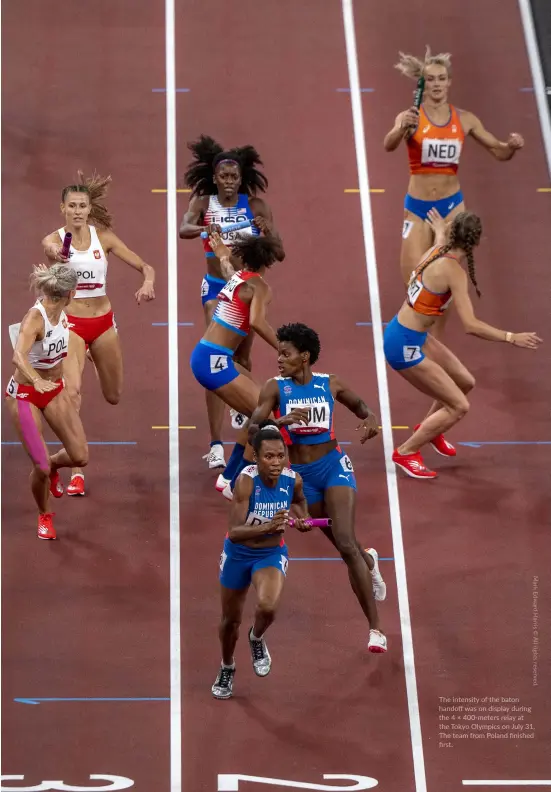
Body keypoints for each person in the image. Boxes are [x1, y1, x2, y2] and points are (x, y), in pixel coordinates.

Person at [248, 323, 388, 654]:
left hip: (333, 467)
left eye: (286, 353)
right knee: (346, 547)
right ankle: (369, 562)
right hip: (300, 476)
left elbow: (364, 409)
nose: (279, 359)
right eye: (278, 353)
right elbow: (254, 426)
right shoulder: (275, 388)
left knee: (344, 542)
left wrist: (370, 424)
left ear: (305, 356)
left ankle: (376, 630)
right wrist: (279, 422)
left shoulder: (330, 383)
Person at [383, 210, 542, 479]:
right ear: (476, 243)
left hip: (409, 334)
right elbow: (470, 325)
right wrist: (510, 337)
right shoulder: (454, 272)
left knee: (465, 382)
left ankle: (432, 427)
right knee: (459, 406)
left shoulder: (436, 251)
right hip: (404, 345)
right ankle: (407, 452)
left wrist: (441, 231)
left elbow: (439, 241)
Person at [383, 46, 524, 332]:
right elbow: (388, 145)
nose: (437, 84)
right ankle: (417, 329)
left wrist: (511, 147)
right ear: (423, 84)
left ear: (449, 82)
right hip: (418, 207)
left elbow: (498, 151)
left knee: (442, 279)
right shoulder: (410, 116)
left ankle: (435, 341)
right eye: (431, 79)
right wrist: (401, 129)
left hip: (451, 207)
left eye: (441, 78)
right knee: (414, 278)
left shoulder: (466, 119)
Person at [41, 171, 156, 497]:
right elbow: (50, 250)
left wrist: (147, 281)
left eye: (82, 206)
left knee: (114, 395)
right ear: (62, 208)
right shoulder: (54, 239)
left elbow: (145, 266)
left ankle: (94, 354)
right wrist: (56, 255)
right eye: (72, 206)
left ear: (89, 209)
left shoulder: (102, 238)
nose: (77, 211)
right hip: (73, 325)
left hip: (103, 324)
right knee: (73, 393)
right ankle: (73, 470)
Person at [179, 135, 284, 471]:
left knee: (241, 357)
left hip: (245, 288)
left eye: (234, 177)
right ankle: (214, 444)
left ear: (241, 180)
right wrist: (203, 229)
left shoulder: (255, 206)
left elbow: (279, 252)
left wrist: (266, 232)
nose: (228, 182)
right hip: (216, 286)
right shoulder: (204, 202)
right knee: (217, 355)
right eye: (223, 176)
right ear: (214, 178)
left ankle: (241, 403)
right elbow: (183, 228)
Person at [212, 422, 311, 699]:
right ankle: (227, 666)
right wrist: (268, 526)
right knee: (230, 621)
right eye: (269, 456)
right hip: (238, 554)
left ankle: (256, 638)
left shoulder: (293, 479)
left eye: (281, 456)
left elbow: (300, 502)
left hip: (270, 554)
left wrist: (303, 517)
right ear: (256, 458)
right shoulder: (246, 480)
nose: (276, 462)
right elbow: (235, 531)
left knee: (267, 607)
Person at [190, 231, 282, 494]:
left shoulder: (238, 278)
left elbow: (228, 269)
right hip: (213, 362)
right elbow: (256, 322)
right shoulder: (261, 287)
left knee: (262, 407)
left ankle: (227, 478)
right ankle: (234, 481)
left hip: (207, 355)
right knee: (267, 419)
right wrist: (284, 348)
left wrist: (222, 255)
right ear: (269, 262)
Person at [5, 264, 89, 540]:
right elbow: (18, 356)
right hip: (25, 395)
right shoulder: (35, 318)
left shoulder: (61, 310)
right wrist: (35, 379)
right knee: (39, 466)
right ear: (71, 294)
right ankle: (44, 515)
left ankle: (54, 466)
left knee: (80, 456)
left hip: (54, 390)